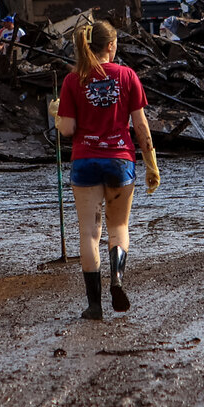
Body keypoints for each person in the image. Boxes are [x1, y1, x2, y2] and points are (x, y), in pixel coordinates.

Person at [50, 20, 160, 320]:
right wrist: (151, 163)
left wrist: (58, 115)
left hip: (85, 160)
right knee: (118, 228)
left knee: (88, 232)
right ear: (111, 46)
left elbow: (68, 129)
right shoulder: (127, 75)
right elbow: (140, 125)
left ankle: (94, 305)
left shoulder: (73, 80)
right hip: (119, 159)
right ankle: (117, 279)